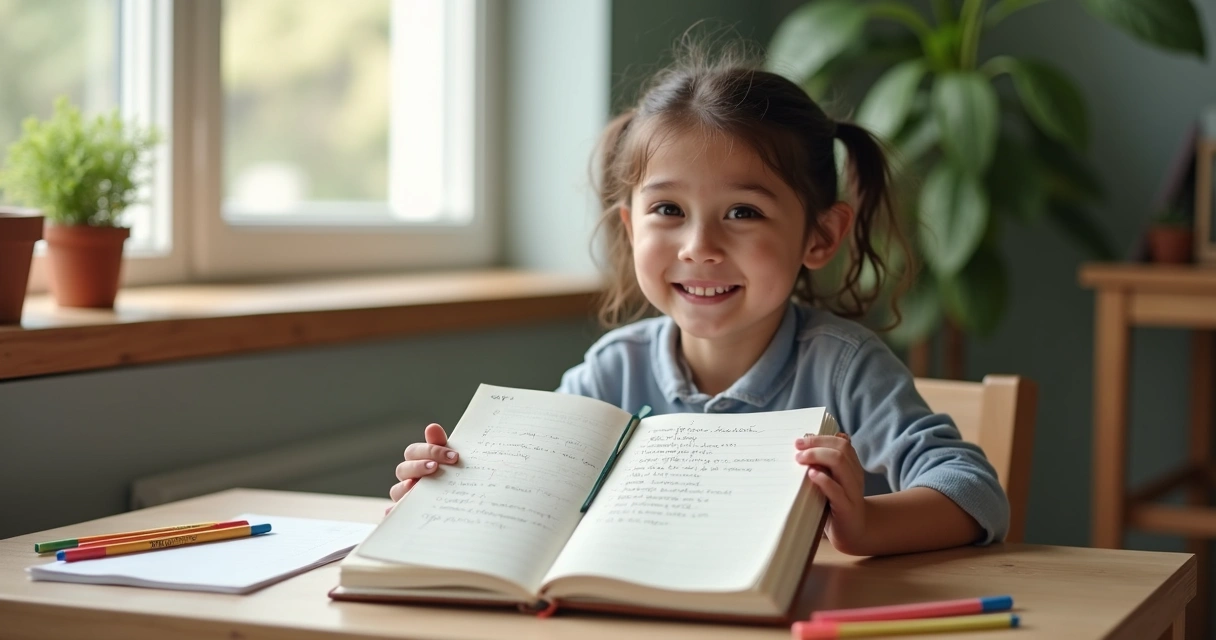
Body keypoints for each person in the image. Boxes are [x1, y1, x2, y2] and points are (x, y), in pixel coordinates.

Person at [390, 48, 1009, 557]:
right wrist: (451, 493)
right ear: (631, 228)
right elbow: (542, 496)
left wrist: (867, 524)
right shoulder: (613, 369)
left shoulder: (843, 368)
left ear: (820, 236)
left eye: (743, 212)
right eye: (667, 210)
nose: (699, 246)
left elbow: (975, 492)